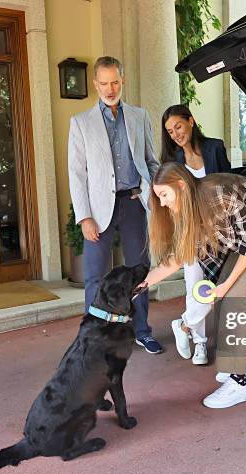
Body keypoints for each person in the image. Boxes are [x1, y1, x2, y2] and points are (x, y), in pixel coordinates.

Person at [140, 163, 246, 408]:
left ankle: (239, 384)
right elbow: (177, 258)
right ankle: (245, 359)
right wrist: (141, 284)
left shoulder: (220, 194)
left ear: (181, 186)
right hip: (245, 247)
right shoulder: (186, 210)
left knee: (234, 301)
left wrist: (226, 285)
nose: (161, 203)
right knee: (220, 295)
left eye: (164, 195)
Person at [68, 56, 163, 354]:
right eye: (104, 83)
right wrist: (84, 217)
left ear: (123, 81)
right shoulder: (81, 123)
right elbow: (77, 173)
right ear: (95, 84)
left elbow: (151, 161)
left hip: (134, 204)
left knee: (140, 272)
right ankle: (95, 338)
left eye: (115, 82)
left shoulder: (139, 116)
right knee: (95, 274)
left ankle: (141, 330)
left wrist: (154, 196)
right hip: (98, 210)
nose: (110, 89)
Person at [160, 104, 231, 366]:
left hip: (219, 231)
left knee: (214, 287)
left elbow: (229, 182)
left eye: (178, 126)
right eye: (170, 131)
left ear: (191, 121)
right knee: (194, 287)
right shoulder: (172, 162)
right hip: (189, 231)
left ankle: (184, 324)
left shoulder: (215, 148)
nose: (175, 134)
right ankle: (200, 344)